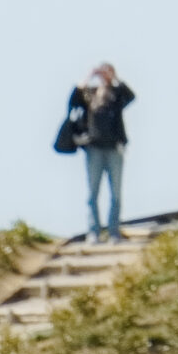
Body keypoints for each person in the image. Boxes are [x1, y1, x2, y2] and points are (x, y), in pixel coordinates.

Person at [64, 63, 134, 240]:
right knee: (92, 193)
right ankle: (93, 231)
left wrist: (115, 78)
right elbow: (73, 99)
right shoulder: (90, 93)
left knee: (116, 194)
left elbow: (130, 96)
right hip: (93, 148)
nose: (103, 76)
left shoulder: (116, 94)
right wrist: (89, 75)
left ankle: (113, 232)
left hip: (114, 148)